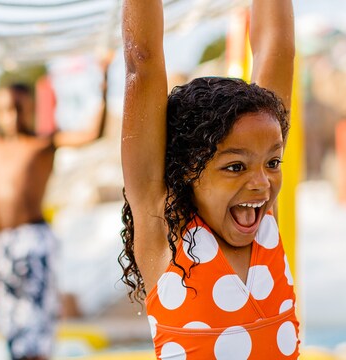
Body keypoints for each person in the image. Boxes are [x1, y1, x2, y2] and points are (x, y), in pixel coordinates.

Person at [118, 0, 298, 358]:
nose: (262, 183)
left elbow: (278, 49)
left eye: (273, 162)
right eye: (235, 167)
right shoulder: (163, 230)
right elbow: (144, 62)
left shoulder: (263, 225)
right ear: (187, 168)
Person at [0, 57, 111, 360]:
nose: (13, 116)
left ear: (31, 108)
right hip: (2, 243)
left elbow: (92, 133)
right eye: (6, 109)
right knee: (11, 324)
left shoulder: (43, 144)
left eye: (19, 108)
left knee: (35, 325)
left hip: (33, 240)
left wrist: (104, 78)